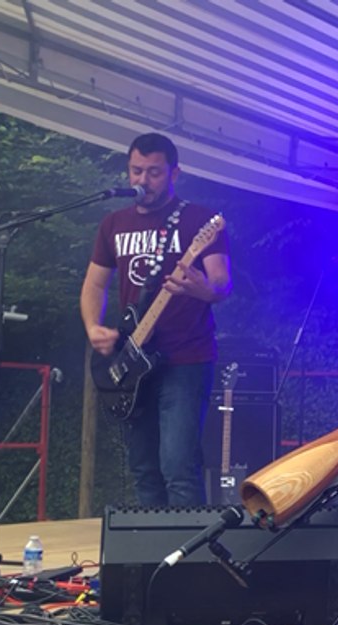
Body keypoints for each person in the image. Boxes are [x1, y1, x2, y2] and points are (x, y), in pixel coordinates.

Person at [80, 133, 232, 506]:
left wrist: (202, 288)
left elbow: (222, 282)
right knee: (144, 468)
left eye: (153, 173)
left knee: (178, 467)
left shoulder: (199, 220)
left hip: (185, 359)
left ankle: (188, 559)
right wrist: (93, 327)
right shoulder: (113, 223)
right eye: (136, 171)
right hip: (133, 361)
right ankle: (154, 561)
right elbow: (93, 286)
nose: (142, 181)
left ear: (174, 173)